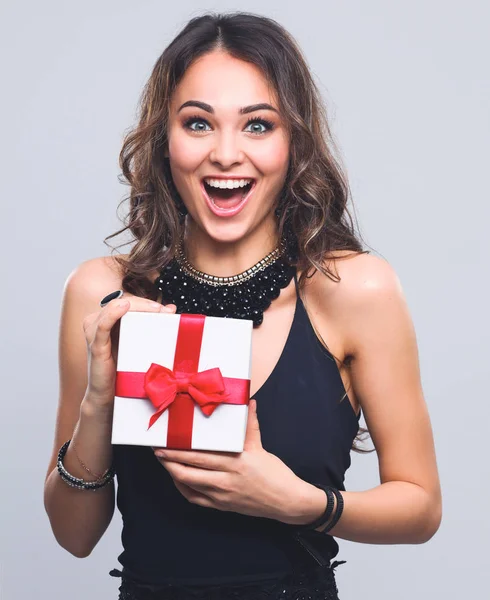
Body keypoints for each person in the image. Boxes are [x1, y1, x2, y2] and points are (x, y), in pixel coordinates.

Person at [43, 11, 442, 600]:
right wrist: (99, 401)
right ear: (164, 138)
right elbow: (74, 537)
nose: (226, 153)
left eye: (258, 126)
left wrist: (297, 502)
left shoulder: (356, 291)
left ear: (293, 141)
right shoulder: (102, 292)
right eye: (198, 123)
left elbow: (422, 507)